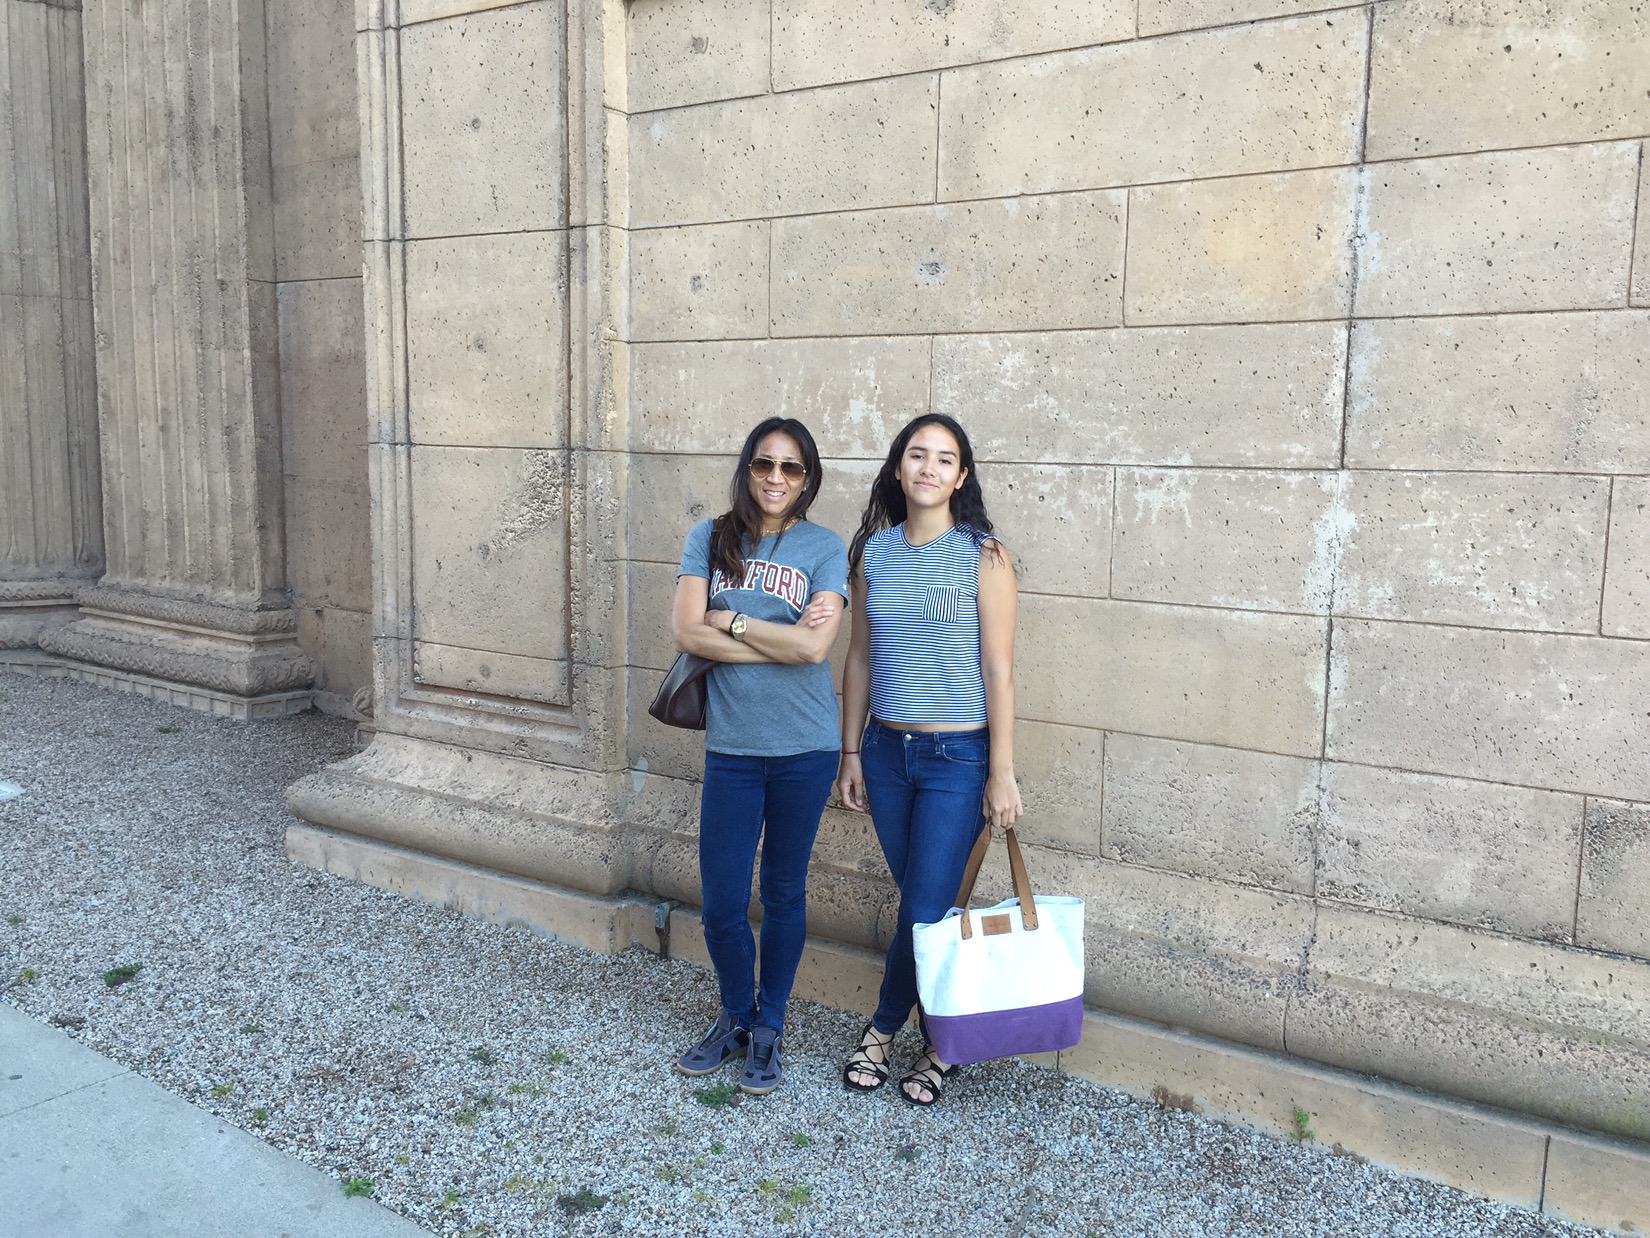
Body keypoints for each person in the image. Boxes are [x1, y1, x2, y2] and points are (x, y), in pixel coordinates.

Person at [835, 413, 1023, 1106]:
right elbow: (858, 659)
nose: (929, 468)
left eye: (945, 459)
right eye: (918, 455)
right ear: (898, 467)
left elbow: (999, 672)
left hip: (957, 759)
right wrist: (850, 752)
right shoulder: (874, 555)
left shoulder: (984, 556)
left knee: (921, 910)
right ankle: (943, 1038)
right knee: (932, 912)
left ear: (961, 476)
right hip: (887, 754)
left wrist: (1001, 771)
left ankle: (885, 1031)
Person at [669, 417, 848, 1095]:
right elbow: (686, 631)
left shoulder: (825, 548)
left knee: (782, 891)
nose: (776, 478)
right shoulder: (710, 537)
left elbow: (815, 649)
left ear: (807, 478)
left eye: (791, 467)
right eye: (764, 464)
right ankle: (735, 1015)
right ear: (747, 468)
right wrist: (778, 640)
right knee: (720, 901)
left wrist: (734, 621)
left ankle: (769, 1024)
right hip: (734, 749)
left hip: (807, 747)